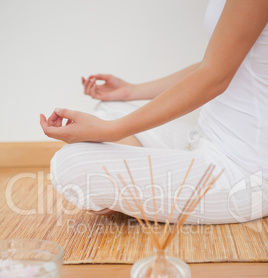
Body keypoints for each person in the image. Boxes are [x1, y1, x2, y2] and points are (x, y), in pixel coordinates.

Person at [40, 0, 268, 224]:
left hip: (246, 171)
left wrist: (110, 131)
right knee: (110, 108)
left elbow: (215, 77)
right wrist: (131, 91)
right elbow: (211, 64)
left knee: (71, 164)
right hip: (203, 139)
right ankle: (138, 192)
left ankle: (134, 193)